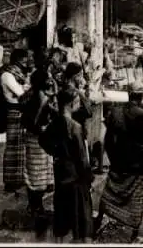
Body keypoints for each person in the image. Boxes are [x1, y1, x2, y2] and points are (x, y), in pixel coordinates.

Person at [94, 81, 143, 243]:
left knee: (109, 192)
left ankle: (98, 221)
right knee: (137, 199)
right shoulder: (142, 114)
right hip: (135, 162)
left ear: (128, 94)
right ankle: (134, 235)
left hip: (118, 161)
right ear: (141, 96)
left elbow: (107, 139)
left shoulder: (115, 111)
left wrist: (112, 155)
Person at [39, 89, 94, 243]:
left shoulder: (55, 123)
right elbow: (82, 159)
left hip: (61, 173)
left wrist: (56, 153)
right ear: (71, 104)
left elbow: (42, 140)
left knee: (61, 216)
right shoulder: (75, 126)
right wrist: (89, 178)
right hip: (76, 177)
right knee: (82, 219)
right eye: (77, 101)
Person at [21, 69, 58, 234]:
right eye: (48, 78)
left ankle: (34, 205)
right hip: (39, 139)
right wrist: (42, 128)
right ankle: (36, 206)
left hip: (32, 138)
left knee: (34, 172)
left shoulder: (31, 94)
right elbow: (34, 121)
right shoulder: (41, 98)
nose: (51, 80)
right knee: (39, 173)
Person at [0, 49, 30, 193]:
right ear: (17, 60)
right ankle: (11, 181)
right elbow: (21, 94)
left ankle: (18, 179)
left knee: (20, 146)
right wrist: (28, 88)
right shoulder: (7, 75)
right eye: (24, 59)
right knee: (13, 146)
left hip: (19, 110)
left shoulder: (17, 74)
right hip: (13, 110)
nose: (26, 62)